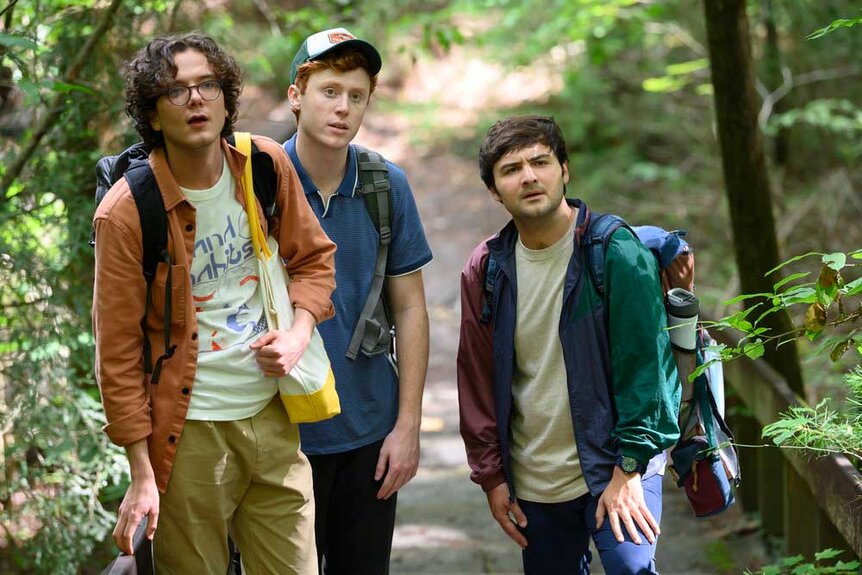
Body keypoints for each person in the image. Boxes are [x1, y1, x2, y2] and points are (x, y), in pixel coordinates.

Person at [92, 33, 336, 574]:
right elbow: (117, 352)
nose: (196, 99)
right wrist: (141, 472)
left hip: (273, 416)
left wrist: (297, 335)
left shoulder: (264, 166)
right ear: (153, 115)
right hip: (189, 436)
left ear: (226, 98)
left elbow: (314, 260)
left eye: (207, 85)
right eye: (176, 91)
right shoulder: (127, 212)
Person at [457, 115, 681, 574]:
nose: (529, 176)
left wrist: (630, 466)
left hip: (618, 463)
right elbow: (476, 380)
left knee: (633, 570)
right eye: (512, 169)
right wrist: (492, 478)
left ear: (564, 170)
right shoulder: (487, 269)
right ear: (495, 191)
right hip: (536, 479)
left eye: (540, 161)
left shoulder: (616, 253)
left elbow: (650, 370)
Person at [282, 28, 432, 574]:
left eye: (356, 95)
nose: (342, 107)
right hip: (278, 436)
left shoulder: (384, 186)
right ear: (296, 95)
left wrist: (408, 425)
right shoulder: (255, 182)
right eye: (328, 91)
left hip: (369, 428)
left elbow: (411, 308)